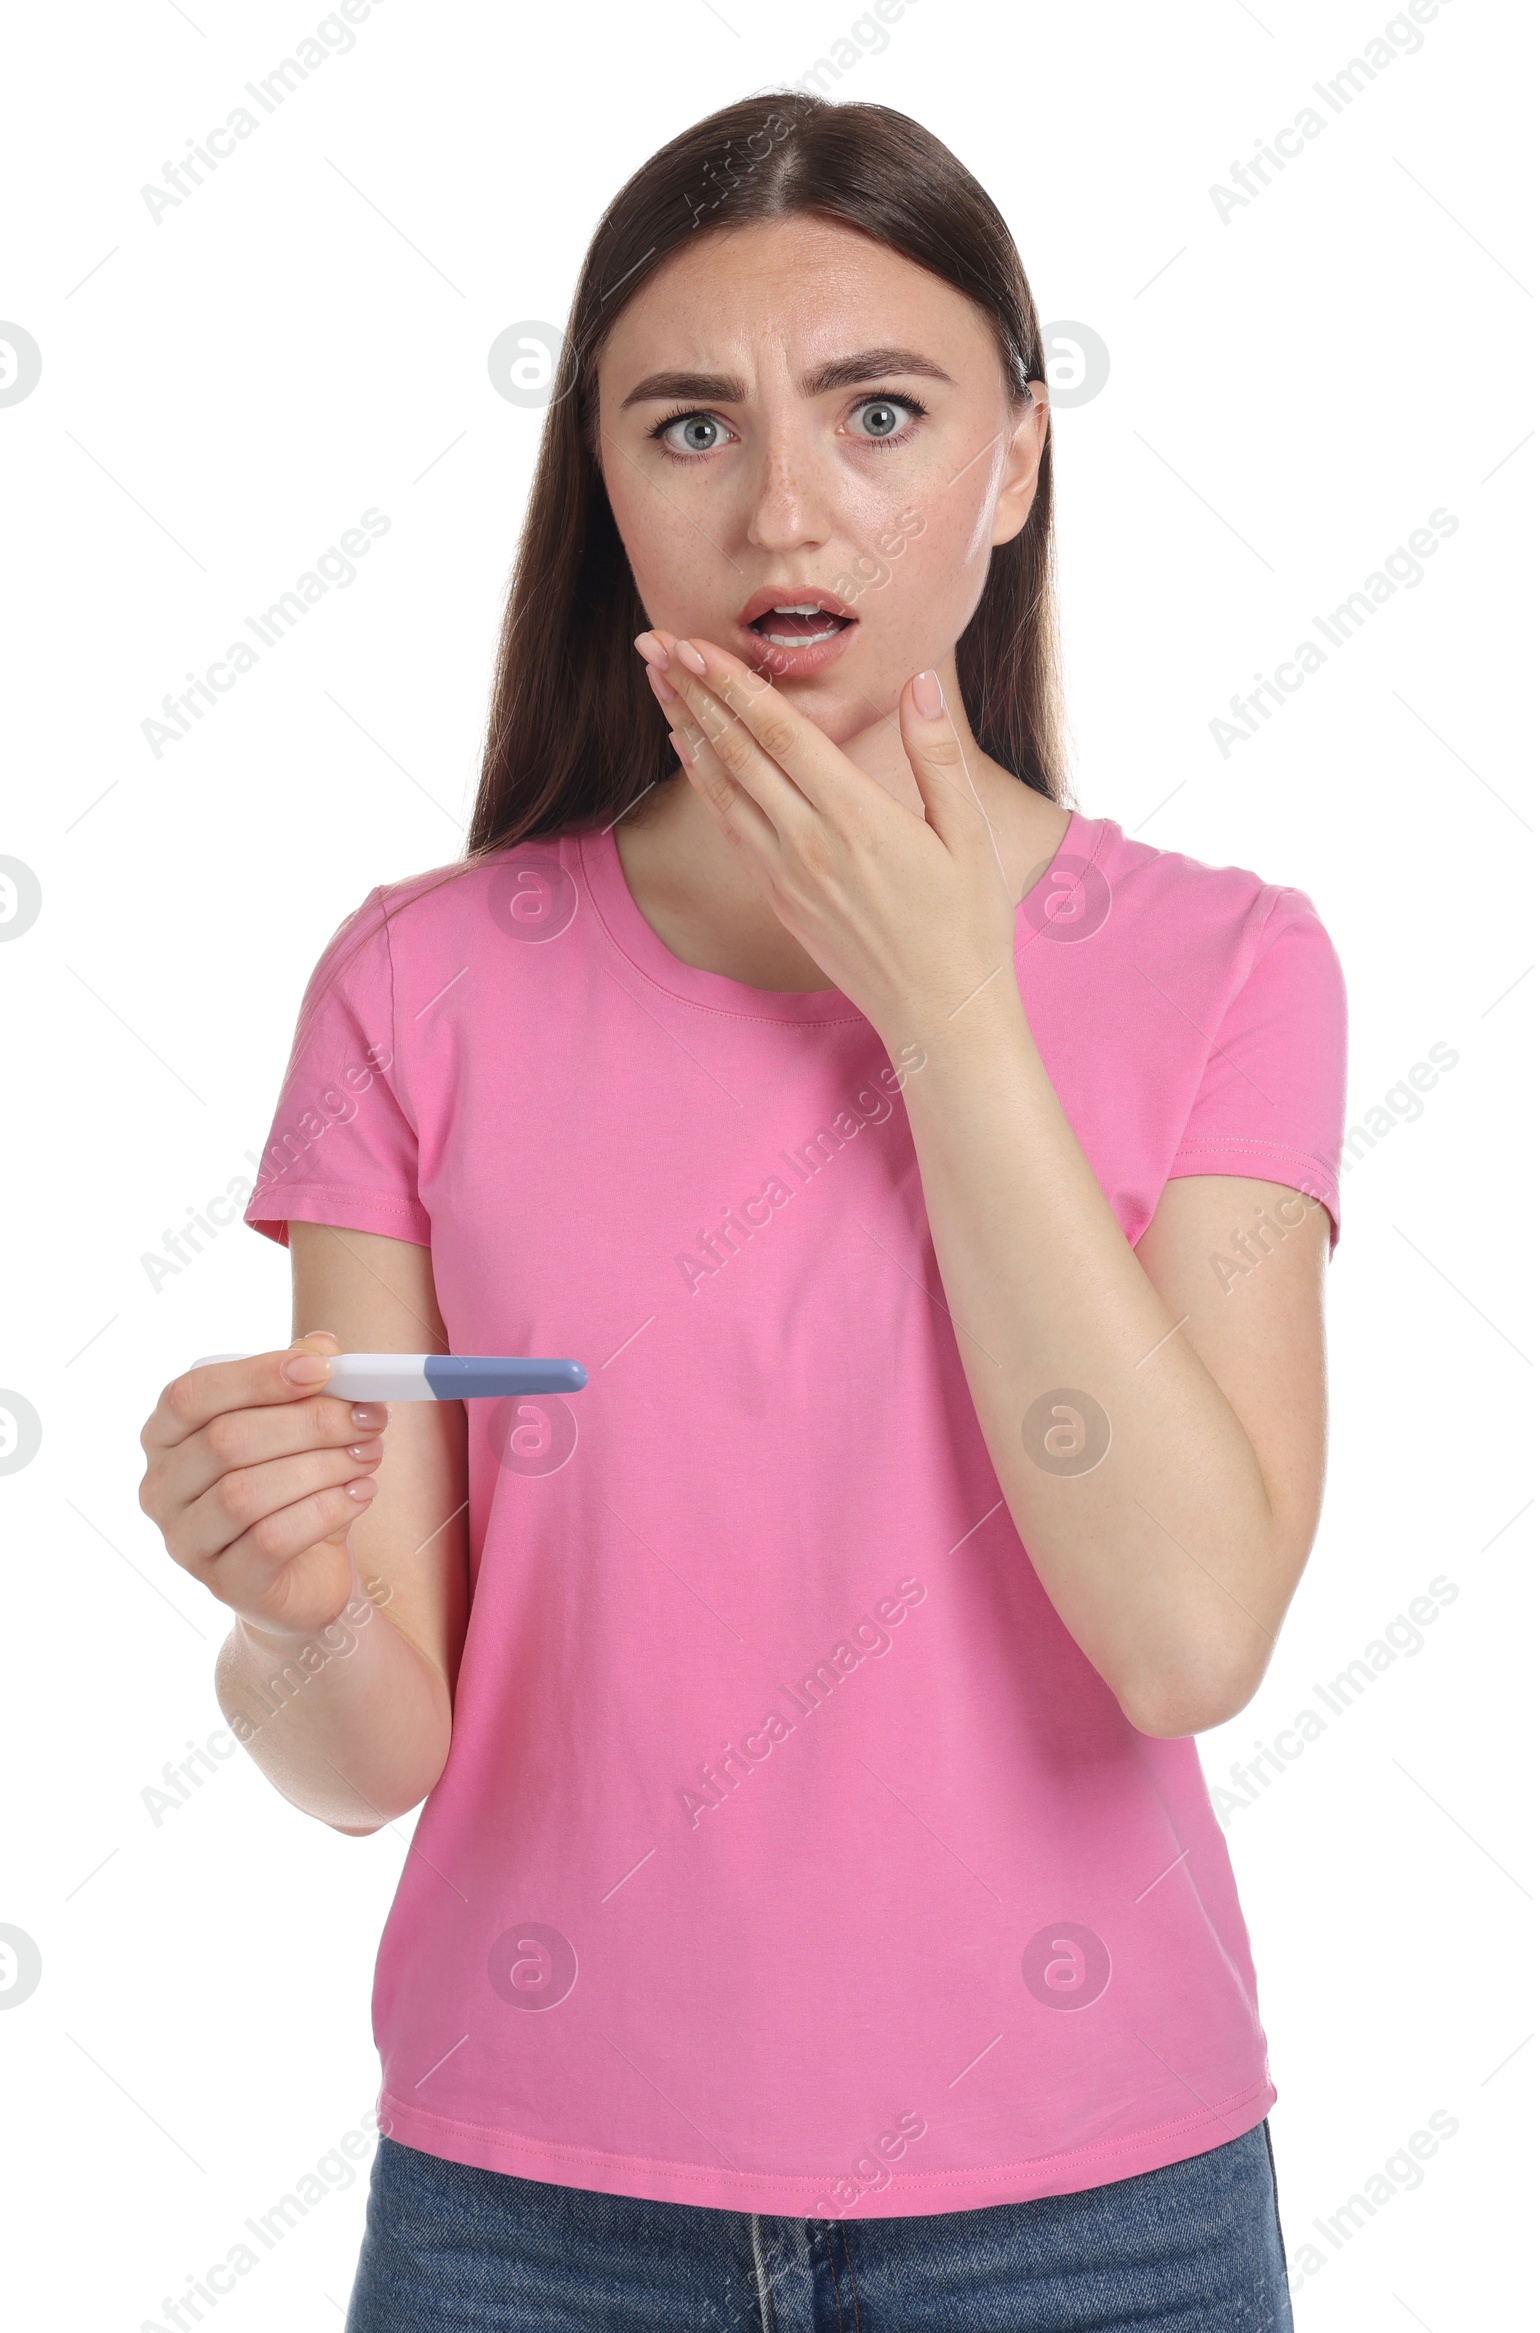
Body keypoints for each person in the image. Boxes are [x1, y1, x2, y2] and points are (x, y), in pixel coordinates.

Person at [138, 91, 1346, 2332]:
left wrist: (944, 1015)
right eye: (686, 425)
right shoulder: (418, 986)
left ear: (1011, 458)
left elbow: (1188, 1637)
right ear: (601, 486)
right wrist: (284, 1588)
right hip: (531, 2217)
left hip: (1092, 2217)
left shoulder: (1228, 969)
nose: (783, 506)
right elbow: (365, 1757)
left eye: (879, 411)